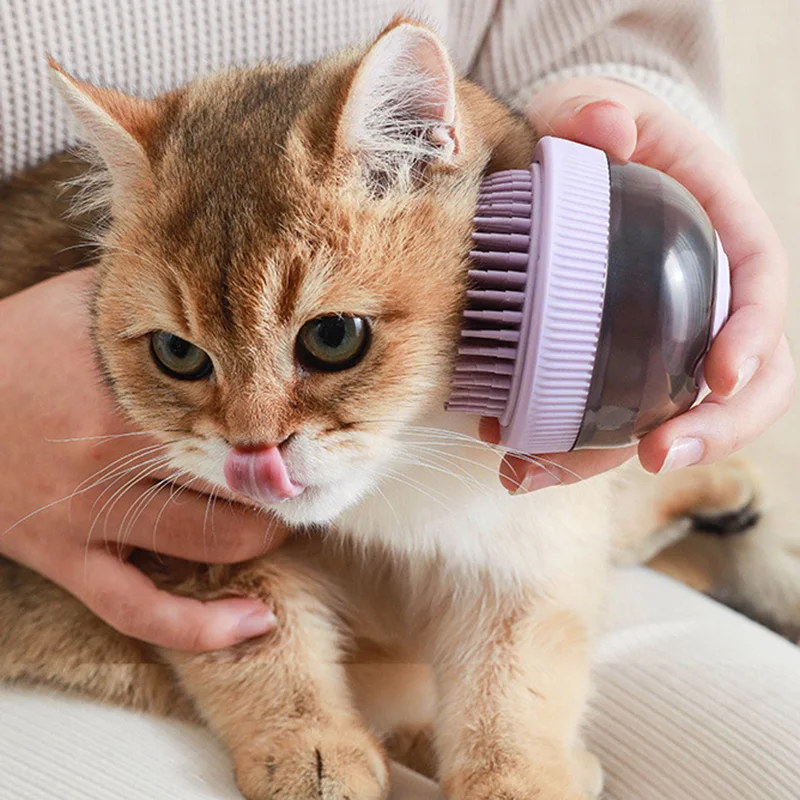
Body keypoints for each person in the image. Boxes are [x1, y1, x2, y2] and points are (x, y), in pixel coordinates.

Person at [0, 0, 793, 657]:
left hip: (450, 429)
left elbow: (600, 28)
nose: (254, 434)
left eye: (327, 338)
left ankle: (649, 520)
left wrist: (619, 148)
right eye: (182, 353)